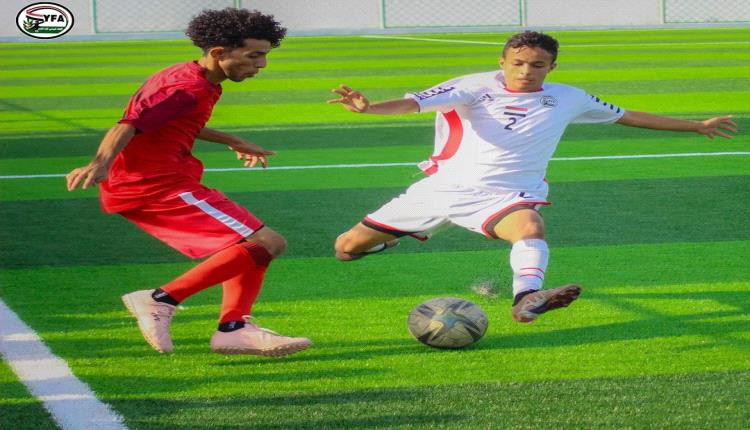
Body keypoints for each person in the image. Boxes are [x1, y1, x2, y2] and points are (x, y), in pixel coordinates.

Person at [329, 31, 737, 323]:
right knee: (346, 249)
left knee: (530, 227)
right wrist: (370, 108)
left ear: (552, 67)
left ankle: (526, 297)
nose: (526, 71)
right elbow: (412, 104)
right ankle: (390, 240)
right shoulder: (471, 87)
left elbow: (627, 116)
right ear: (502, 62)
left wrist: (695, 125)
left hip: (507, 194)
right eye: (518, 63)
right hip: (439, 190)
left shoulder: (569, 97)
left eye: (538, 65)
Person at [65, 8, 311, 356]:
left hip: (159, 180)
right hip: (157, 185)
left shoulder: (195, 78)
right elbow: (129, 124)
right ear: (219, 52)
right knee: (267, 243)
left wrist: (232, 140)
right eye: (254, 55)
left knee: (243, 248)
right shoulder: (188, 87)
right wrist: (99, 163)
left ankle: (234, 329)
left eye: (265, 55)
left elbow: (174, 121)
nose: (262, 64)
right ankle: (160, 300)